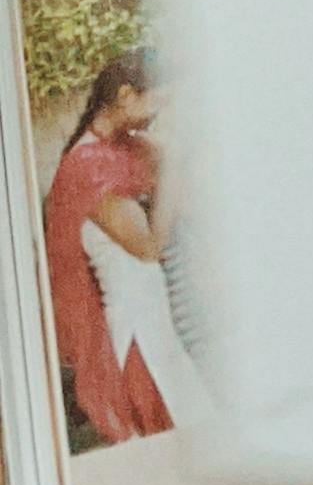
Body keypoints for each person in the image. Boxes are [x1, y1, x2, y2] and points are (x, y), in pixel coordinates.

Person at [43, 50, 209, 444]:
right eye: (157, 102)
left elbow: (185, 207)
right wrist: (169, 161)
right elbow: (148, 246)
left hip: (160, 317)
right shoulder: (87, 166)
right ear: (125, 95)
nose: (157, 115)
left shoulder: (125, 148)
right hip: (137, 330)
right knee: (172, 437)